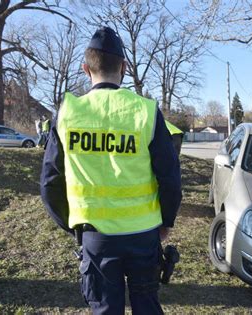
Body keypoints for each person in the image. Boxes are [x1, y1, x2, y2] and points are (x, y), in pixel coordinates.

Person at [40, 26, 182, 315]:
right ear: (124, 68)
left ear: (85, 68)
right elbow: (169, 176)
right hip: (144, 236)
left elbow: (50, 182)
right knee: (148, 307)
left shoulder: (68, 113)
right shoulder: (145, 111)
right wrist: (166, 221)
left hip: (96, 237)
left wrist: (73, 225)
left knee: (105, 309)